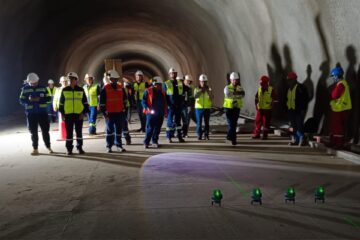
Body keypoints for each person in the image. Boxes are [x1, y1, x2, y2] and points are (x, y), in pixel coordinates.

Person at [19, 73, 53, 155]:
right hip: (31, 114)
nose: (33, 84)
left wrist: (39, 100)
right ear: (28, 82)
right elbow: (21, 100)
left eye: (35, 83)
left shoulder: (44, 88)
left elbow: (49, 99)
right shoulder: (25, 89)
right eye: (32, 83)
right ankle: (35, 148)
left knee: (45, 131)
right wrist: (29, 101)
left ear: (38, 80)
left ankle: (48, 147)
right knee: (33, 132)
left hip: (42, 113)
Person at [59, 72, 88, 155]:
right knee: (69, 133)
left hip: (79, 115)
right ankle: (69, 149)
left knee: (79, 132)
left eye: (72, 79)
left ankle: (80, 148)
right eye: (69, 79)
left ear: (76, 80)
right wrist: (62, 114)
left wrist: (83, 113)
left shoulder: (81, 90)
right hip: (68, 115)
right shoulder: (64, 90)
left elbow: (85, 103)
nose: (70, 80)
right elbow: (61, 104)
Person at [99, 70, 127, 153]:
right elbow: (102, 103)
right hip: (109, 114)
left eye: (116, 79)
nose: (114, 80)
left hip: (119, 112)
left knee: (119, 130)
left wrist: (124, 109)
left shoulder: (120, 88)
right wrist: (104, 113)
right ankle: (109, 146)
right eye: (113, 79)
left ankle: (119, 145)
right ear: (110, 79)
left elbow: (125, 100)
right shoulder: (105, 88)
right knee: (110, 131)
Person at [328, 67, 352, 149]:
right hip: (340, 109)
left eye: (333, 76)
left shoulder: (341, 84)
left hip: (340, 109)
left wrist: (332, 93)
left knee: (338, 127)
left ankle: (338, 144)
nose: (333, 78)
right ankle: (334, 142)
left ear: (337, 76)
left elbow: (334, 95)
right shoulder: (343, 83)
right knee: (335, 127)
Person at [142, 76, 167, 148]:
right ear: (154, 84)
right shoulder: (148, 91)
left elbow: (164, 102)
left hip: (160, 113)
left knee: (157, 128)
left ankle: (154, 141)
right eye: (158, 84)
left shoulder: (162, 91)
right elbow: (143, 101)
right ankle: (146, 142)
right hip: (151, 113)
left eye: (160, 84)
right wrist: (147, 107)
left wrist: (165, 112)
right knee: (149, 128)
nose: (160, 86)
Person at [286, 71, 309, 146]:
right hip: (291, 110)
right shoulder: (290, 89)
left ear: (294, 79)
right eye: (288, 80)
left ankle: (302, 139)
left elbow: (305, 99)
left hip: (298, 110)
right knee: (294, 126)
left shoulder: (300, 87)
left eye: (290, 80)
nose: (289, 81)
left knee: (299, 125)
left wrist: (303, 109)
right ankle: (296, 140)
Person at [163, 67, 185, 143]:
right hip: (170, 106)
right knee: (169, 122)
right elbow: (164, 96)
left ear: (176, 74)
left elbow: (183, 92)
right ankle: (169, 137)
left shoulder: (180, 83)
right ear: (169, 74)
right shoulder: (166, 83)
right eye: (172, 73)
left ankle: (179, 137)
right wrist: (166, 105)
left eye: (174, 73)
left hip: (178, 105)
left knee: (178, 122)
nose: (173, 74)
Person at [252, 75, 277, 140]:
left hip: (267, 110)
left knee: (266, 123)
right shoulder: (259, 89)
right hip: (260, 109)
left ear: (267, 83)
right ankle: (257, 134)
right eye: (261, 84)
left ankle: (265, 135)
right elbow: (256, 98)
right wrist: (256, 106)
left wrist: (272, 106)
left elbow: (275, 99)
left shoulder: (271, 90)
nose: (262, 85)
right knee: (258, 122)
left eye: (263, 84)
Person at [223, 72, 245, 145]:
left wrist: (236, 94)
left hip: (236, 108)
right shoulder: (227, 88)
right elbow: (229, 95)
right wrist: (238, 94)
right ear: (230, 80)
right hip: (229, 108)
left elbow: (243, 94)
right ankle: (233, 139)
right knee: (232, 123)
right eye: (233, 80)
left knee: (234, 124)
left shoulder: (240, 88)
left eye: (236, 80)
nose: (235, 81)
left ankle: (229, 137)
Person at [194, 74, 213, 140]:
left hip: (207, 108)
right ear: (199, 81)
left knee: (206, 123)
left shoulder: (209, 89)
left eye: (205, 81)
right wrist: (201, 91)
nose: (203, 83)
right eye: (202, 81)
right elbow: (195, 96)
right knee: (199, 123)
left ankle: (206, 135)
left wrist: (208, 92)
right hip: (199, 108)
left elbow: (211, 98)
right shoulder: (196, 89)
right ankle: (199, 135)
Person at [53, 76, 69, 141]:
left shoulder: (70, 89)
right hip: (61, 108)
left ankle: (68, 133)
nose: (64, 83)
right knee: (62, 121)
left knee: (69, 121)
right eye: (63, 81)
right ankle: (63, 134)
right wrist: (55, 106)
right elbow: (55, 99)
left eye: (66, 81)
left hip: (69, 108)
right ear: (61, 82)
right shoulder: (58, 90)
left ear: (68, 82)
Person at [122, 81, 132, 145]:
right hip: (113, 111)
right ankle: (116, 141)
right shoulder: (107, 88)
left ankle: (127, 139)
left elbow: (125, 99)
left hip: (122, 109)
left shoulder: (121, 89)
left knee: (124, 125)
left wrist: (124, 108)